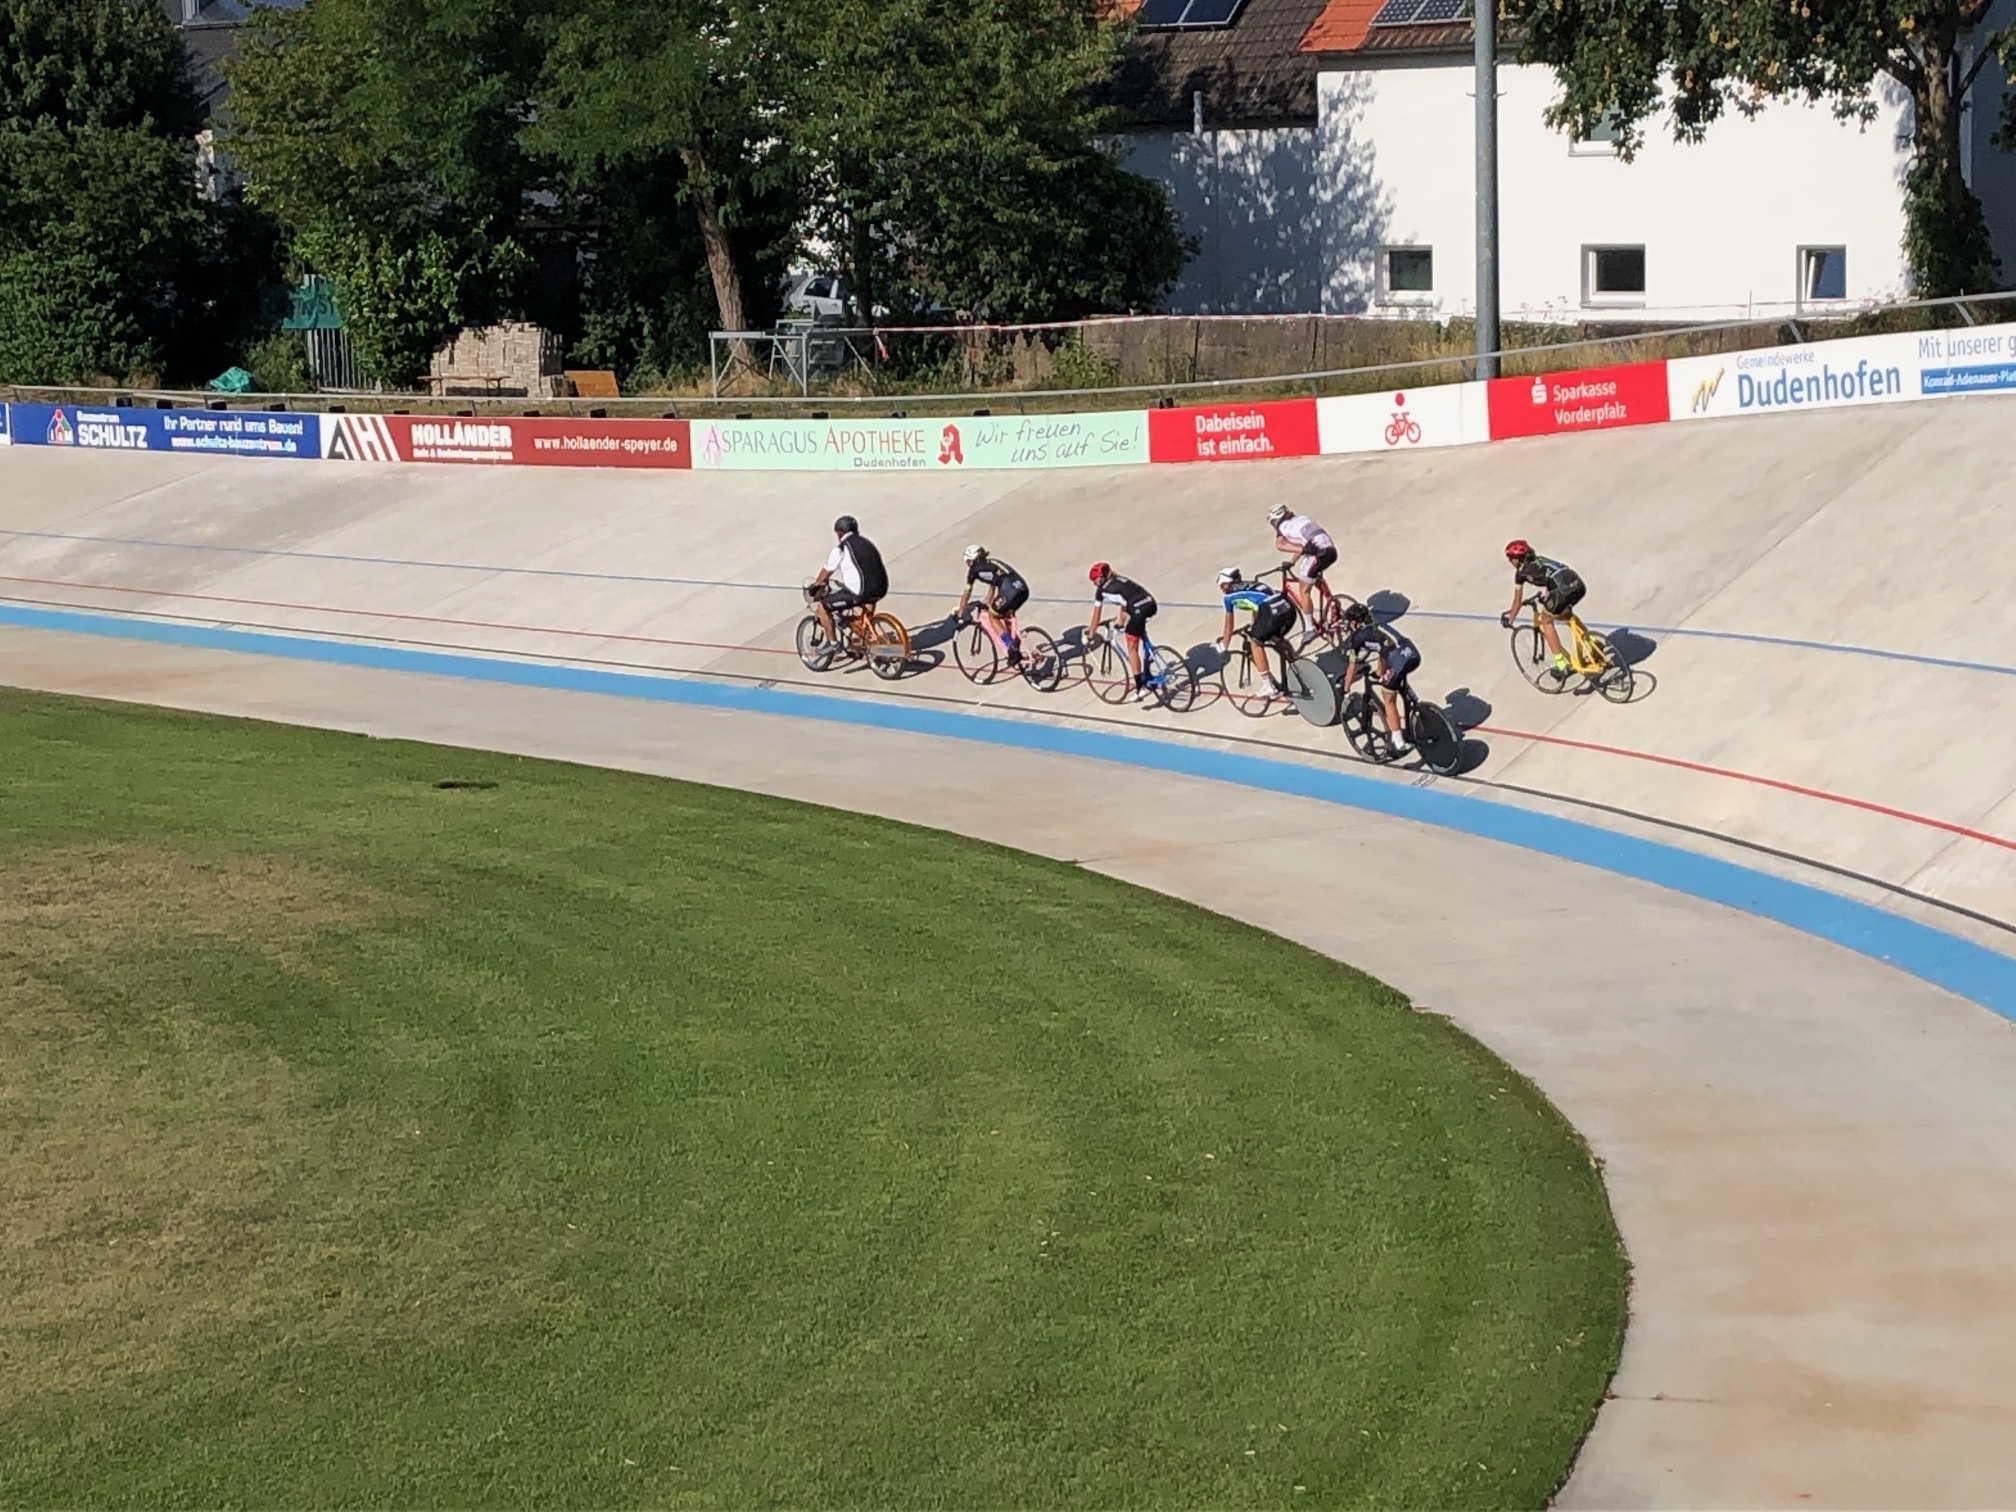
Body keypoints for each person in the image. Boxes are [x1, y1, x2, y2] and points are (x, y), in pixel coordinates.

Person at [1339, 600, 1421, 758]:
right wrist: (1378, 673)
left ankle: (1399, 742)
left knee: (1388, 698)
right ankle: (1415, 709)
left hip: (1397, 659)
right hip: (1411, 652)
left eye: (1349, 622)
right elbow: (1383, 652)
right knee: (1397, 683)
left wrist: (1346, 688)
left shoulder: (1357, 638)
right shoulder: (1379, 624)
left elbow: (1352, 666)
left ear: (1355, 623)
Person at [1500, 540, 1585, 679]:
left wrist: (1510, 619)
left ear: (1515, 560)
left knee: (1546, 621)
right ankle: (1592, 645)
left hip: (1561, 591)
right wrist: (1548, 593)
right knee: (1567, 614)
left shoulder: (1520, 574)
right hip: (1576, 583)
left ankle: (1561, 666)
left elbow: (1517, 602)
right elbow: (1553, 575)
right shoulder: (1540, 559)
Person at [1213, 567, 1297, 698]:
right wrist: (1254, 626)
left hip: (1270, 611)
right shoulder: (1252, 585)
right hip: (1287, 608)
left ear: (1228, 584)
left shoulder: (1228, 598)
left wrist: (1224, 645)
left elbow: (1229, 626)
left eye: (1222, 586)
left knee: (1255, 643)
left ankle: (1268, 685)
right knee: (1274, 636)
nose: (1221, 590)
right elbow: (1256, 607)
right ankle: (1297, 663)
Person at [809, 515, 889, 643]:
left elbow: (826, 571)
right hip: (880, 588)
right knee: (867, 603)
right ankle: (863, 637)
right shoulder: (867, 543)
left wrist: (816, 585)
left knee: (823, 606)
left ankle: (833, 644)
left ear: (840, 533)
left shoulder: (841, 548)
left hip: (858, 591)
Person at [1085, 562, 1158, 702]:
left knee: (1131, 647)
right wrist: (1120, 622)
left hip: (1138, 610)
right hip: (1150, 604)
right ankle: (1147, 672)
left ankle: (1141, 688)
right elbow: (1124, 603)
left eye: (1094, 581)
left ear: (1100, 578)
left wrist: (1090, 634)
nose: (1094, 584)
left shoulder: (1101, 591)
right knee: (1138, 633)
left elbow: (1096, 617)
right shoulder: (1120, 579)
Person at [1266, 502, 1338, 636]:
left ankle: (1310, 629)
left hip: (1318, 553)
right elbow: (1303, 542)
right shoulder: (1301, 519)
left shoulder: (1283, 526)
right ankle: (1332, 602)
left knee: (1303, 590)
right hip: (1330, 549)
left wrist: (1303, 550)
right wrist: (1292, 561)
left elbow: (1280, 545)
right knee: (1311, 576)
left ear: (1276, 521)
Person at [955, 545, 1029, 666]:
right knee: (1005, 612)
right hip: (1022, 588)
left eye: (968, 562)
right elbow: (994, 581)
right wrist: (989, 599)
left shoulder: (973, 571)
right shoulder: (992, 562)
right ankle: (1019, 643)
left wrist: (961, 611)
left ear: (972, 559)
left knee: (992, 615)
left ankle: (1011, 647)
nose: (968, 565)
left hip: (1009, 590)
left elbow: (967, 593)